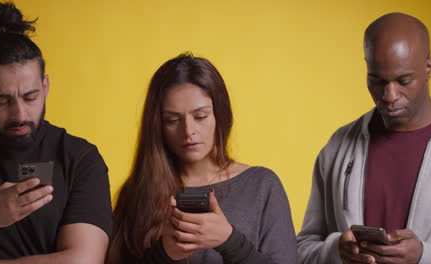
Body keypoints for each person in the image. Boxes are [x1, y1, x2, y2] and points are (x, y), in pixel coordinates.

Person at [106, 53, 298, 264]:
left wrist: (229, 241)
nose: (188, 131)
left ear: (221, 114)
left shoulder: (262, 186)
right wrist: (165, 253)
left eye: (201, 117)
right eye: (172, 120)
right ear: (157, 126)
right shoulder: (137, 192)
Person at [0, 2, 112, 262]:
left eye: (30, 97)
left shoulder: (79, 157)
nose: (19, 114)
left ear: (45, 87)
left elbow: (83, 260)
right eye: (2, 101)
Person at [297, 13, 431, 264]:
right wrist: (336, 251)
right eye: (376, 80)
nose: (390, 95)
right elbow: (301, 250)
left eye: (404, 81)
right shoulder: (339, 146)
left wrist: (424, 256)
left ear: (429, 67)